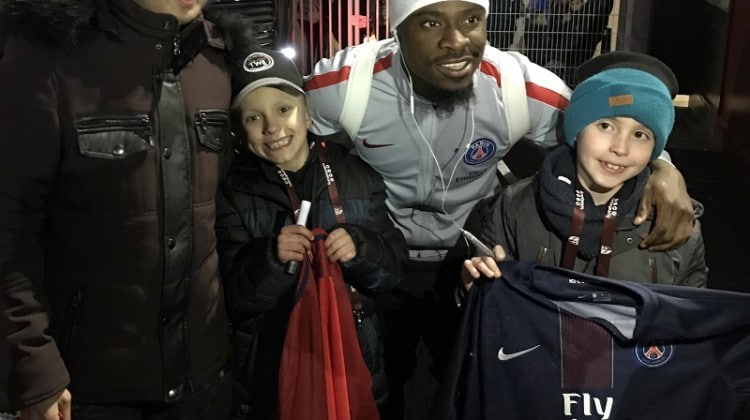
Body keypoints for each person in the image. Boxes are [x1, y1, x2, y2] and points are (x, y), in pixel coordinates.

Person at [303, 1, 695, 418]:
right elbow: (280, 125)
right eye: (431, 21)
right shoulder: (346, 85)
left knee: (470, 379)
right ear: (397, 30)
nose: (457, 41)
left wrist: (664, 168)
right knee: (378, 379)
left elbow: (606, 127)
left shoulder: (515, 86)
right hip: (380, 255)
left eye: (471, 20)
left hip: (474, 257)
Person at [0, 0, 235, 419]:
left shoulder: (217, 58)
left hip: (205, 375)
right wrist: (32, 361)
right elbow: (10, 223)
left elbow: (223, 211)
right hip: (88, 385)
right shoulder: (49, 52)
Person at [214, 35, 408, 419]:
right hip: (269, 375)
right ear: (240, 130)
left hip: (351, 365)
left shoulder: (356, 175)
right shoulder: (232, 190)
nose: (273, 128)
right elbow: (232, 298)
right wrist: (270, 258)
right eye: (254, 118)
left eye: (284, 109)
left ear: (306, 115)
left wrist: (360, 247)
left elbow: (393, 271)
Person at [463, 51, 708, 289]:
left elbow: (693, 319)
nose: (620, 148)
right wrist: (477, 291)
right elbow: (491, 317)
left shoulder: (673, 222)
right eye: (605, 126)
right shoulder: (515, 207)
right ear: (576, 128)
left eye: (640, 134)